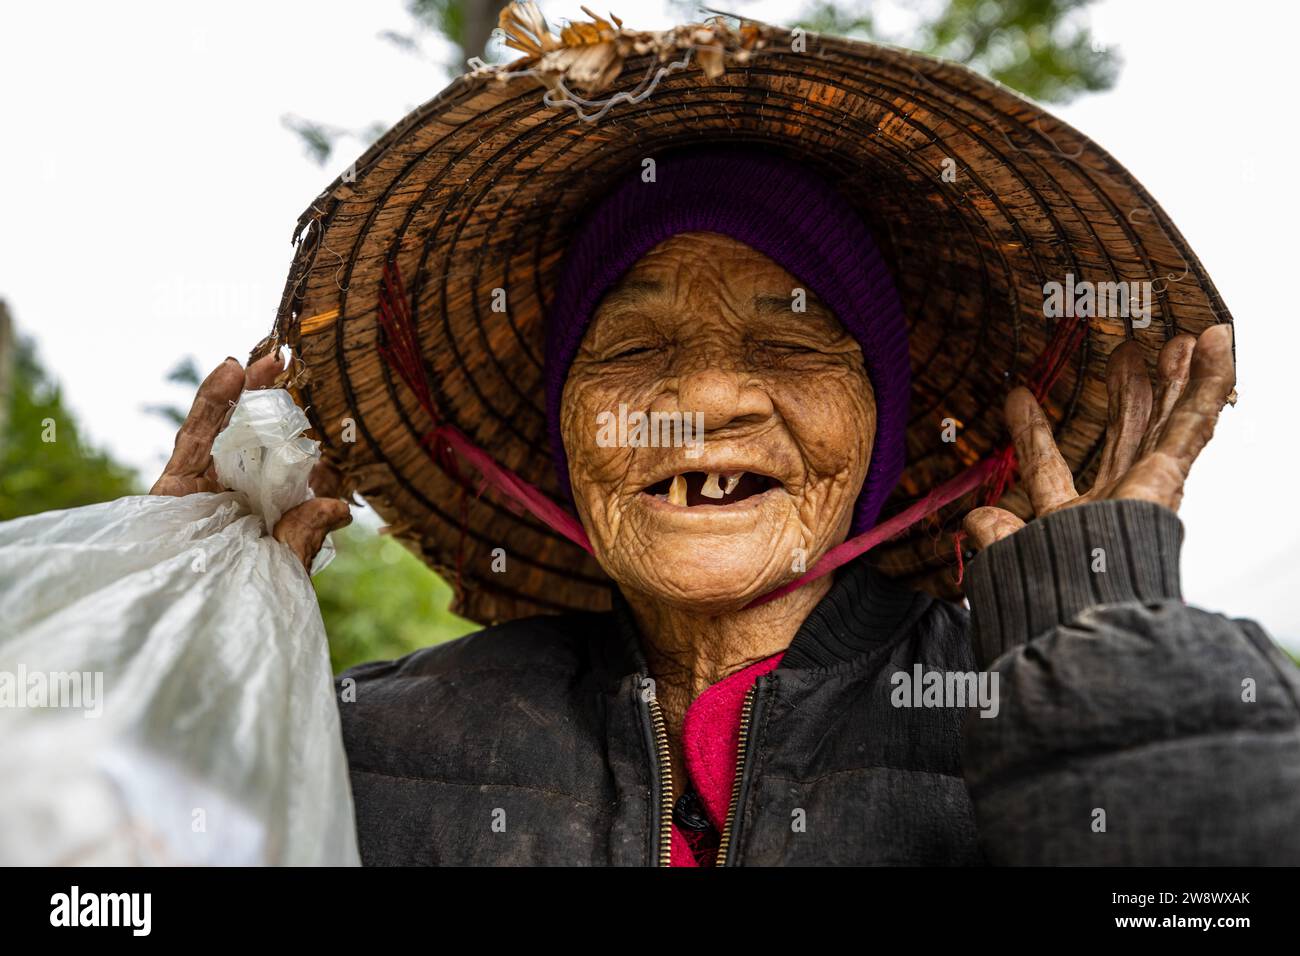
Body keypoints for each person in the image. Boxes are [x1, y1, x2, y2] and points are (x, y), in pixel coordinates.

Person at [155, 5, 1300, 865]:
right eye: (633, 344)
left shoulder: (1014, 695)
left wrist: (1099, 631)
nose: (705, 391)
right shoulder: (374, 736)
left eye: (792, 340)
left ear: (880, 424)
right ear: (563, 438)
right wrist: (168, 678)